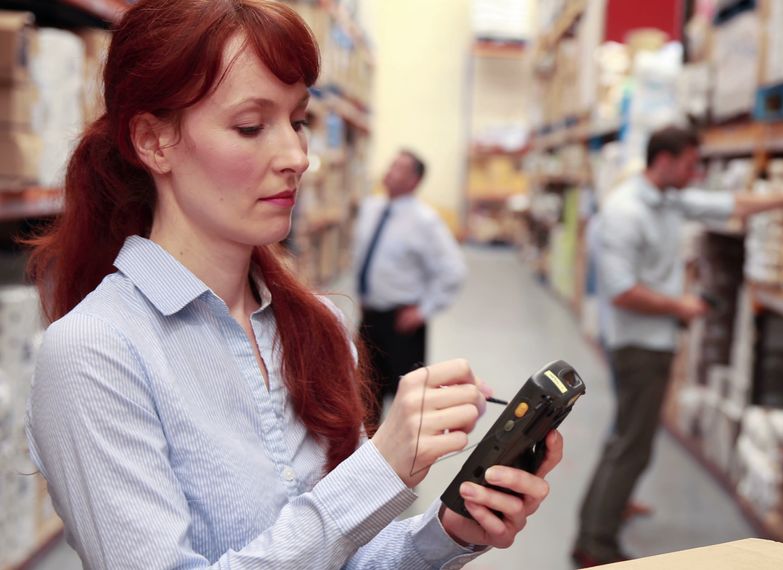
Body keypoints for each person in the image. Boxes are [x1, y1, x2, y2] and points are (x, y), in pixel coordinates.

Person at [25, 2, 560, 568]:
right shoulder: (96, 353)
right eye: (251, 126)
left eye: (298, 121)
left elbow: (347, 557)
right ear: (154, 142)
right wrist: (377, 472)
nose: (297, 156)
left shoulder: (320, 328)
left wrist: (448, 531)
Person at [572, 126, 783, 567]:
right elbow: (621, 291)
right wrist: (682, 306)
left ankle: (610, 508)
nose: (696, 174)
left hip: (653, 340)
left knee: (629, 436)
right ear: (665, 160)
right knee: (632, 443)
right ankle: (594, 543)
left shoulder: (668, 199)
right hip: (638, 345)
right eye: (691, 164)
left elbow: (731, 204)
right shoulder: (624, 212)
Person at [353, 150, 466, 414]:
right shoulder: (371, 208)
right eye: (391, 164)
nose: (389, 171)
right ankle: (368, 452)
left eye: (399, 168)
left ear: (414, 180)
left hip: (402, 324)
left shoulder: (424, 221)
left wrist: (424, 310)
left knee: (409, 401)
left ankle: (407, 454)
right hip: (369, 319)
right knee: (365, 395)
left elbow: (453, 270)